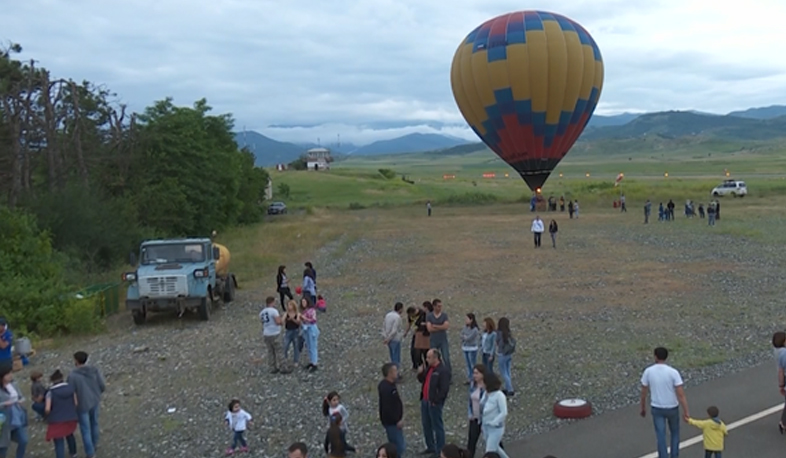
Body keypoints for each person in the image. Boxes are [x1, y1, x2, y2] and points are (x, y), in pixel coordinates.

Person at [640, 347, 690, 458]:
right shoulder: (673, 372)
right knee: (675, 433)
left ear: (655, 356)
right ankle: (674, 455)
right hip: (672, 407)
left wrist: (643, 407)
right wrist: (686, 411)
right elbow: (681, 394)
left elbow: (644, 392)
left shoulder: (648, 371)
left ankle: (663, 456)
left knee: (660, 434)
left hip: (657, 407)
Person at [67, 351, 105, 458]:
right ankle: (94, 445)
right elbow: (102, 385)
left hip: (82, 404)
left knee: (85, 429)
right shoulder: (94, 370)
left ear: (76, 360)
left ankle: (90, 453)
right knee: (95, 424)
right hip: (95, 401)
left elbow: (70, 391)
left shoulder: (73, 376)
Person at [418, 349, 451, 456]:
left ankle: (440, 450)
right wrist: (420, 373)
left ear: (435, 358)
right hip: (425, 400)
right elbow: (422, 380)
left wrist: (436, 401)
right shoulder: (429, 368)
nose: (426, 360)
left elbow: (444, 389)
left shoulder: (443, 371)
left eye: (429, 357)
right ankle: (430, 446)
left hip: (434, 402)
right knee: (426, 424)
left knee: (437, 426)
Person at [44, 369, 78, 458]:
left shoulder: (50, 392)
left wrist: (46, 415)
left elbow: (47, 409)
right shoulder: (71, 388)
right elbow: (76, 403)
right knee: (70, 434)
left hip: (56, 419)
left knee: (58, 440)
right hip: (70, 417)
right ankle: (73, 453)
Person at [378, 363, 405, 457]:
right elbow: (387, 407)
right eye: (395, 371)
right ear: (390, 373)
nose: (397, 373)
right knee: (398, 447)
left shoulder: (386, 385)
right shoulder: (387, 388)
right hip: (392, 422)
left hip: (391, 420)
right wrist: (397, 420)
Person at [481, 372, 509, 458]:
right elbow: (482, 406)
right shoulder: (486, 393)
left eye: (483, 381)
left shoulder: (499, 395)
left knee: (490, 451)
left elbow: (504, 412)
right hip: (486, 426)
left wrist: (494, 422)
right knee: (496, 447)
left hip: (496, 428)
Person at [467, 364, 487, 458]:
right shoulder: (473, 384)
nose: (474, 375)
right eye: (474, 373)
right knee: (471, 442)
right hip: (474, 418)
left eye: (477, 373)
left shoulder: (487, 387)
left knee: (493, 442)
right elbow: (470, 401)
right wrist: (470, 413)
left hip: (485, 419)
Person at [426, 299, 451, 372]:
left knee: (446, 358)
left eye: (440, 306)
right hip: (433, 340)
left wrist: (435, 326)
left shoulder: (444, 315)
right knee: (433, 358)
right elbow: (429, 329)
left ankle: (448, 374)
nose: (440, 308)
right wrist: (441, 327)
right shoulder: (429, 316)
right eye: (438, 306)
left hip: (443, 340)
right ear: (434, 306)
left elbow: (446, 327)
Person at [260, 296, 283, 374]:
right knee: (279, 350)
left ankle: (272, 367)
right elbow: (277, 322)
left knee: (270, 351)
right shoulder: (274, 311)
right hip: (274, 332)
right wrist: (282, 321)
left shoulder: (262, 312)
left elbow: (262, 322)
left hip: (266, 333)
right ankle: (283, 367)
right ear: (272, 302)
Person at [383, 303, 405, 373]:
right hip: (395, 339)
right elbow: (394, 330)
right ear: (400, 309)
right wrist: (389, 338)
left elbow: (384, 326)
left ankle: (391, 372)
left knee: (392, 357)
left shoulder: (388, 315)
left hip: (388, 338)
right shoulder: (397, 317)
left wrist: (385, 337)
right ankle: (396, 374)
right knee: (396, 358)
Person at [496, 318, 516, 396]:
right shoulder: (508, 333)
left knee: (503, 372)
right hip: (509, 354)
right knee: (508, 371)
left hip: (502, 354)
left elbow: (499, 344)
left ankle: (510, 389)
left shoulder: (499, 333)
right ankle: (508, 387)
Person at [301, 296, 320, 372]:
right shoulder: (304, 311)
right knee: (308, 346)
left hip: (311, 328)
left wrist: (305, 319)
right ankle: (311, 361)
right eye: (302, 302)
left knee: (313, 346)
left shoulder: (312, 310)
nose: (303, 304)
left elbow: (313, 320)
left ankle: (315, 363)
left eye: (304, 302)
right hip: (306, 328)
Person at [460, 314, 480, 384]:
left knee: (472, 364)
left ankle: (475, 378)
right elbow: (461, 335)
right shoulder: (465, 327)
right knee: (468, 364)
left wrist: (465, 337)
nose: (465, 320)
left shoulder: (475, 329)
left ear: (471, 320)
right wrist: (464, 337)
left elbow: (469, 338)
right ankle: (470, 378)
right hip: (465, 348)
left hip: (472, 349)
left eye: (467, 319)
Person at [772, 331, 786, 433]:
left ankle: (783, 423)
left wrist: (781, 385)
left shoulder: (777, 352)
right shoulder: (784, 354)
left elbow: (780, 371)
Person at [283, 300, 302, 366]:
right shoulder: (286, 313)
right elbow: (282, 320)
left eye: (290, 305)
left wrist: (292, 319)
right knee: (285, 345)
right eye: (288, 305)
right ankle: (284, 358)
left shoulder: (298, 314)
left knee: (296, 346)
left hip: (295, 331)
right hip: (288, 331)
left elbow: (299, 322)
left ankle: (296, 360)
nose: (289, 307)